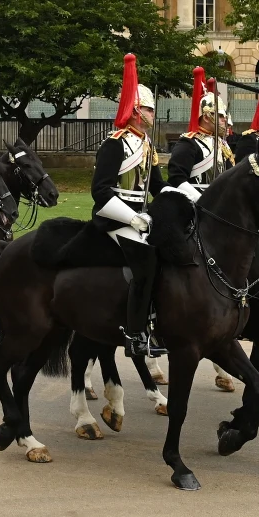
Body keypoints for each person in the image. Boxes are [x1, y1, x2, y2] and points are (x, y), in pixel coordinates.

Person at [90, 54, 168, 358]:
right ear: (136, 111)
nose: (152, 112)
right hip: (115, 218)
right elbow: (99, 191)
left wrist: (180, 199)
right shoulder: (115, 143)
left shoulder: (148, 145)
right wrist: (132, 218)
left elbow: (158, 187)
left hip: (142, 217)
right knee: (146, 265)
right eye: (149, 108)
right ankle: (135, 334)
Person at [165, 73, 234, 201]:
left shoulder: (223, 144)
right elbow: (177, 179)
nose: (224, 120)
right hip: (195, 205)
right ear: (207, 117)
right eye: (220, 116)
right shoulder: (189, 143)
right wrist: (203, 202)